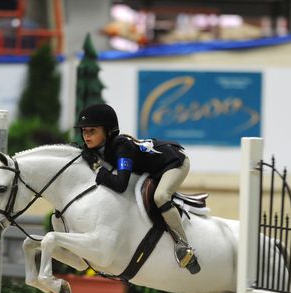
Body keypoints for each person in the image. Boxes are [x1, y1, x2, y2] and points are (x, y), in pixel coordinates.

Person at [74, 103, 201, 274]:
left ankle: (184, 246)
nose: (87, 136)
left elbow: (120, 184)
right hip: (154, 168)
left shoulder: (122, 147)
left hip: (175, 162)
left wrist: (98, 169)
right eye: (84, 131)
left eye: (92, 131)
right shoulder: (99, 148)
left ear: (108, 131)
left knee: (161, 196)